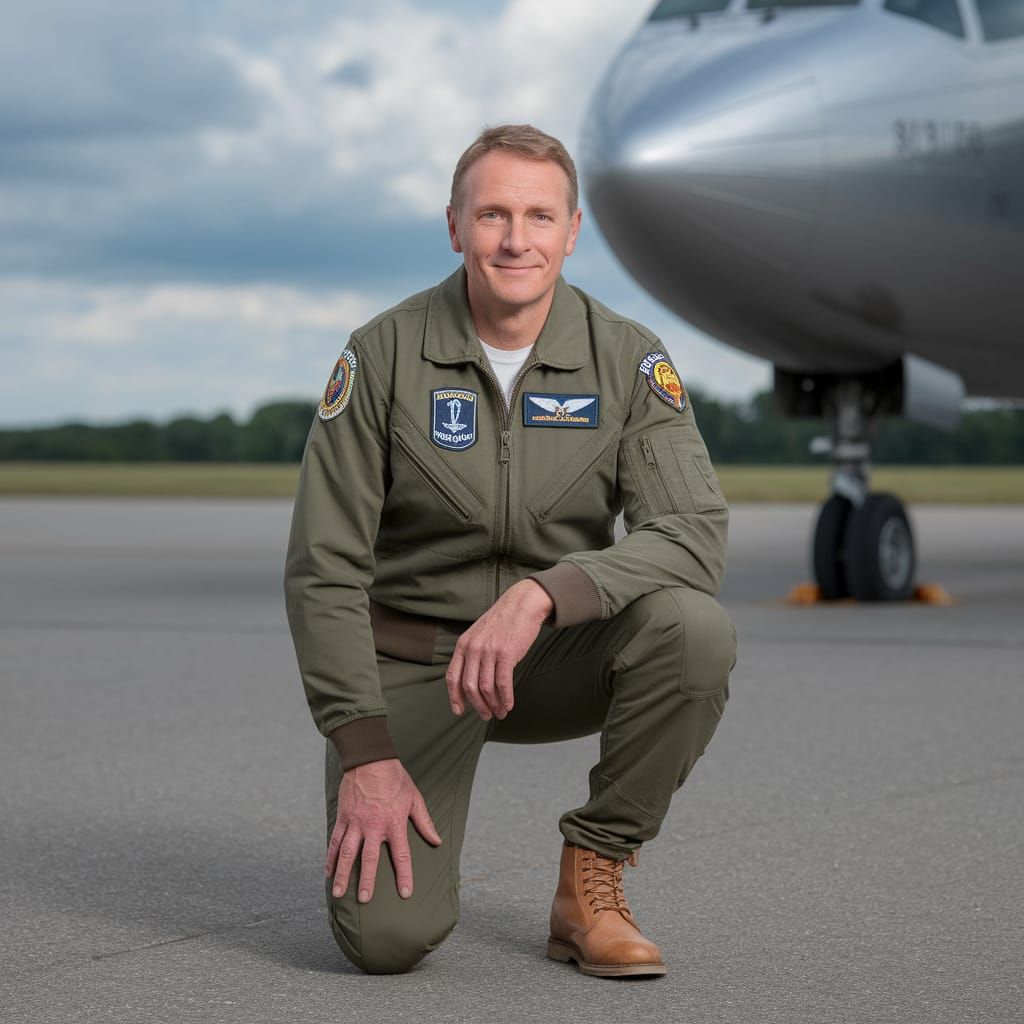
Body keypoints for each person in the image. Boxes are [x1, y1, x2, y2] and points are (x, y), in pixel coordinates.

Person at [284, 124, 736, 977]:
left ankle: (592, 875)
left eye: (539, 216)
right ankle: (398, 804)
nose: (516, 240)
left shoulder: (627, 358)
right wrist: (364, 750)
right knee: (385, 942)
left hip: (551, 654)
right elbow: (324, 567)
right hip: (419, 665)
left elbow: (693, 532)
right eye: (493, 214)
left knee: (693, 632)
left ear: (572, 232)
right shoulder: (383, 353)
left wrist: (543, 595)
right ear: (455, 225)